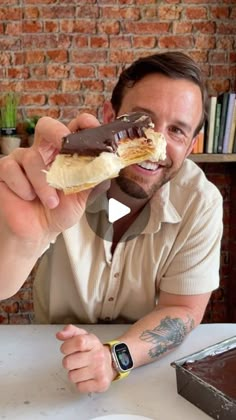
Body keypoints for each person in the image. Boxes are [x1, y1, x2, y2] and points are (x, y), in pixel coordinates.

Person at [0, 51, 223, 393]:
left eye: (176, 131)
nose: (154, 145)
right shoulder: (57, 175)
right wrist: (30, 232)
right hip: (45, 361)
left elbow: (184, 309)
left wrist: (114, 357)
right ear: (109, 116)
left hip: (146, 374)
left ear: (191, 146)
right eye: (141, 122)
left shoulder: (200, 202)